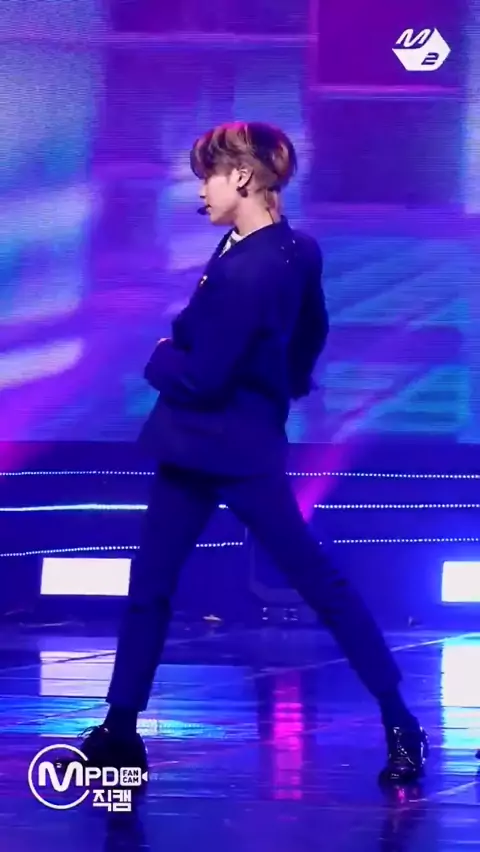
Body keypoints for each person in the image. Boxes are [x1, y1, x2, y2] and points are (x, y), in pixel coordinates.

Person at [77, 122, 428, 785]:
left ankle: (400, 720)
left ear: (240, 177)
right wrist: (277, 389)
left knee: (308, 584)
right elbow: (312, 332)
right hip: (206, 443)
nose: (199, 192)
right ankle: (120, 731)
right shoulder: (293, 249)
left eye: (206, 178)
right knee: (156, 587)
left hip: (226, 445)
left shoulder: (251, 267)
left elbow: (202, 377)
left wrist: (158, 360)